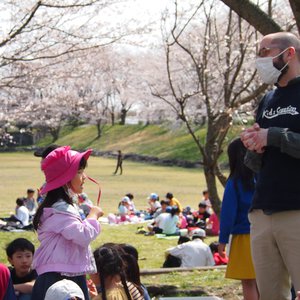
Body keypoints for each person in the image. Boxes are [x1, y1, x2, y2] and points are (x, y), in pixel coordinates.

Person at [240, 32, 300, 300]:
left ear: (289, 53)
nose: (260, 59)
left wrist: (272, 136)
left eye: (265, 51)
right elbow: (257, 164)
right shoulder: (267, 100)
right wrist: (254, 146)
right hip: (263, 211)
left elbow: (277, 138)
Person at [31, 146, 103, 300]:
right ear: (65, 177)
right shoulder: (61, 208)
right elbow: (83, 235)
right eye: (79, 172)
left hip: (64, 272)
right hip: (59, 277)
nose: (84, 177)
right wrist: (93, 216)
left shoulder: (59, 206)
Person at [218, 138, 258, 300]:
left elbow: (228, 213)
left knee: (248, 282)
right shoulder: (260, 179)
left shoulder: (234, 183)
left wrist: (222, 241)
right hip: (263, 232)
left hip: (243, 236)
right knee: (263, 281)